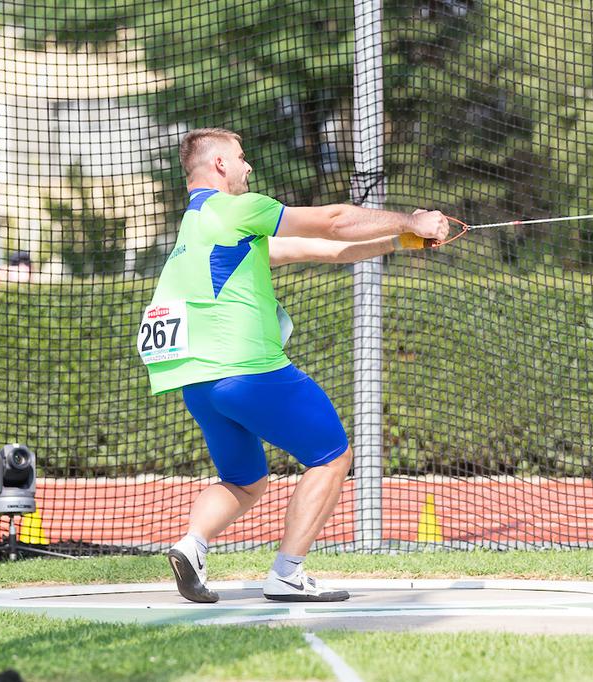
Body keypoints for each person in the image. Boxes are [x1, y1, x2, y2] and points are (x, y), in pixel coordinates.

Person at [139, 127, 448, 604]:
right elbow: (335, 221)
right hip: (249, 368)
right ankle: (287, 573)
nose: (248, 167)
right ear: (219, 164)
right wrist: (415, 217)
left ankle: (191, 545)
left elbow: (331, 250)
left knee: (245, 480)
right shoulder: (237, 208)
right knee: (332, 456)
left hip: (198, 382)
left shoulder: (198, 227)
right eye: (241, 158)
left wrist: (404, 240)